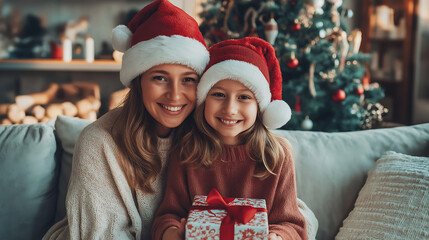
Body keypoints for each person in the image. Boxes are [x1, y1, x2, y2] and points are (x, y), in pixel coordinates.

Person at [42, 0, 209, 239]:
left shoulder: (206, 136)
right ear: (138, 81)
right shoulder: (98, 142)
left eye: (188, 79)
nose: (175, 94)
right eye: (160, 78)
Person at [152, 37, 308, 240]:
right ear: (203, 99)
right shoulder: (186, 151)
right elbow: (168, 215)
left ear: (260, 107)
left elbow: (292, 224)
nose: (230, 109)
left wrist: (279, 236)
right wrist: (172, 232)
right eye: (218, 94)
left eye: (244, 97)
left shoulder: (277, 155)